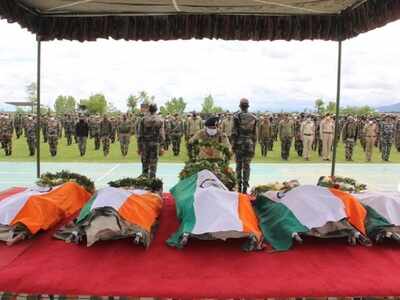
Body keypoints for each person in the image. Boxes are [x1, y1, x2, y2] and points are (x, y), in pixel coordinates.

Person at [231, 98, 257, 193]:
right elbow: (254, 135)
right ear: (248, 106)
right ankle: (245, 189)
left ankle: (239, 187)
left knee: (238, 166)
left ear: (240, 106)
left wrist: (233, 146)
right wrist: (253, 147)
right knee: (247, 166)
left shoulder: (236, 117)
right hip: (249, 144)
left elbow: (234, 133)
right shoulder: (254, 118)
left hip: (239, 144)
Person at [137, 104, 165, 178]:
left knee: (145, 162)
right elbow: (162, 135)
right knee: (154, 162)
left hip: (145, 144)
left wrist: (139, 148)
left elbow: (140, 135)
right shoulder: (160, 120)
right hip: (155, 144)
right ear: (156, 110)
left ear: (149, 109)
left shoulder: (143, 119)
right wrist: (162, 147)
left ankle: (144, 177)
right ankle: (152, 178)